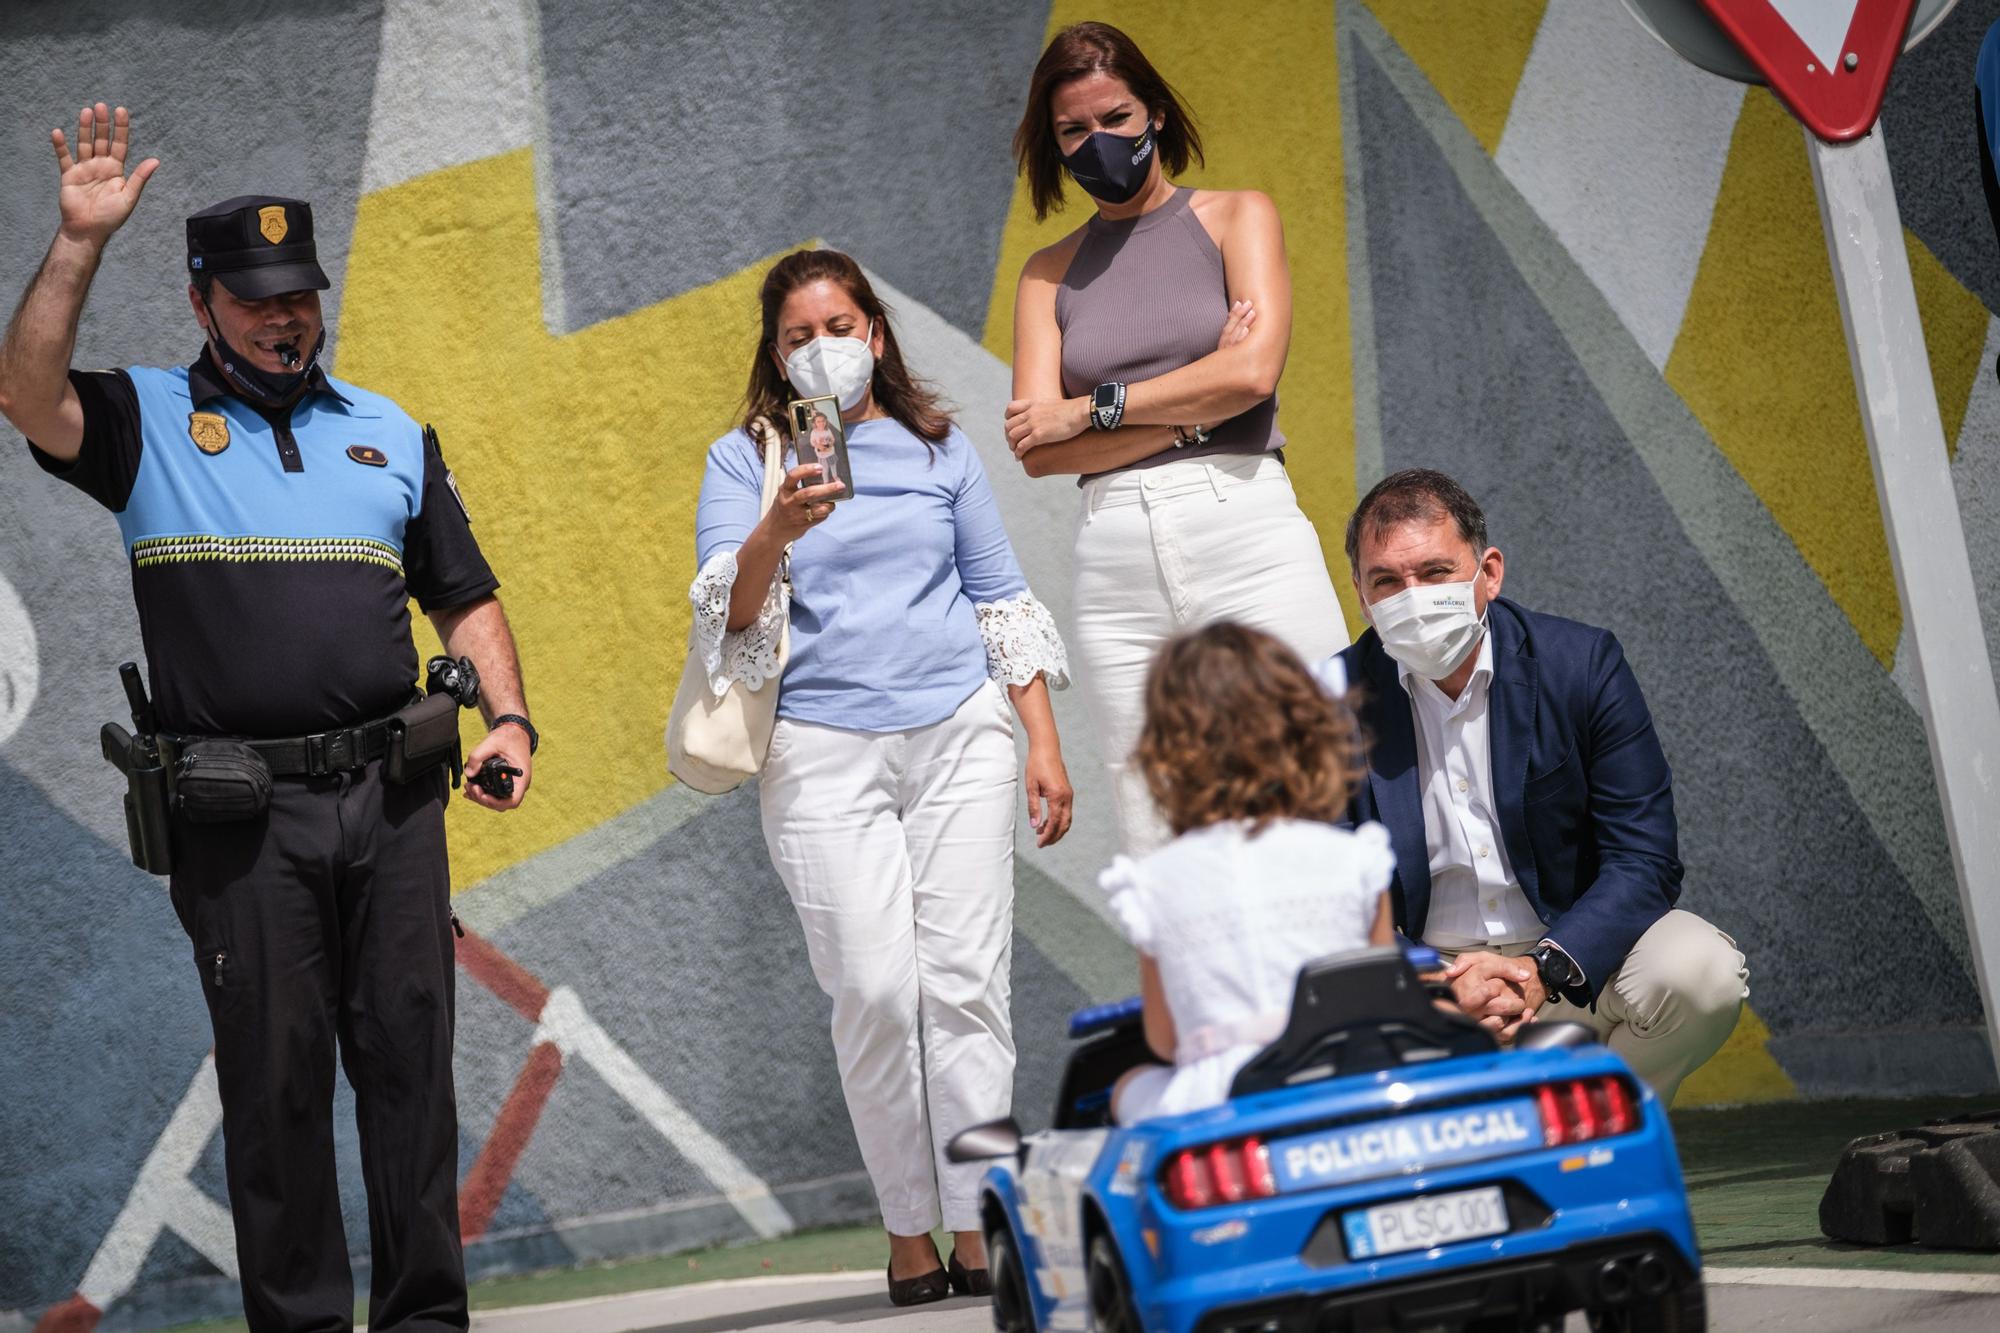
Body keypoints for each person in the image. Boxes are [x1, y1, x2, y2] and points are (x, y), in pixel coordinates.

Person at [0, 105, 536, 1331]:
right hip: (242, 821)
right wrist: (78, 242)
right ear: (203, 302)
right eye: (254, 300)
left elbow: (465, 597)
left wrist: (509, 721)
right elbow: (24, 392)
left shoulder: (389, 432)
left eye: (298, 293)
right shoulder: (138, 424)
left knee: (411, 1074)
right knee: (277, 1088)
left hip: (395, 801)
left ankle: (423, 1323)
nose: (283, 316)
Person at [691, 247, 1072, 1306]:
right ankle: (906, 1224)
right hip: (820, 751)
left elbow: (997, 595)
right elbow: (726, 612)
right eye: (798, 335)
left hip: (959, 735)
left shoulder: (939, 445)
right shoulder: (744, 459)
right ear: (774, 355)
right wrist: (778, 523)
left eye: (839, 327)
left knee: (966, 989)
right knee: (871, 990)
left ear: (877, 335)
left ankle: (974, 1221)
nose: (823, 349)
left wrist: (1039, 739)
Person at [1004, 20, 1351, 855]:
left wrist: (1092, 408)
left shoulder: (1238, 216)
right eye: (1074, 131)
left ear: (1155, 112)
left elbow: (1252, 375)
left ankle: (1359, 985)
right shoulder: (1047, 273)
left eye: (1115, 118)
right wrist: (1193, 410)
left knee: (1328, 778)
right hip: (1116, 552)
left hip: (1245, 521)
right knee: (1158, 824)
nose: (1099, 142)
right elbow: (1037, 449)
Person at [1331, 468, 1746, 1103]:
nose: (1411, 597)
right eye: (1387, 581)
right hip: (1423, 996)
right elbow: (1323, 897)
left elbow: (1645, 861)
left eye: (1437, 572)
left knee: (1699, 970)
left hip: (1568, 975)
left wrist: (1540, 969)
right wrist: (1438, 984)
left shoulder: (1580, 665)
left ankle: (1599, 1135)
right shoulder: (1325, 705)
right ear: (1361, 595)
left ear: (1488, 573)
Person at [1100, 622, 1395, 1125]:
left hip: (1221, 1107)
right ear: (1305, 733)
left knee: (1127, 1085)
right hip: (1345, 1085)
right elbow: (1382, 996)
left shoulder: (1151, 883)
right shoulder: (1354, 857)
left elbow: (1166, 1040)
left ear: (1168, 752)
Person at [807, 409, 842, 489]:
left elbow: (832, 439)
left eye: (823, 421)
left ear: (826, 421)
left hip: (830, 453)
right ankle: (825, 481)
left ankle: (835, 476)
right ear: (814, 423)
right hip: (822, 455)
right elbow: (812, 442)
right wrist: (818, 446)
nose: (821, 423)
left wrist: (830, 444)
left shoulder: (827, 430)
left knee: (833, 466)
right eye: (818, 422)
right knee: (825, 469)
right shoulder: (814, 432)